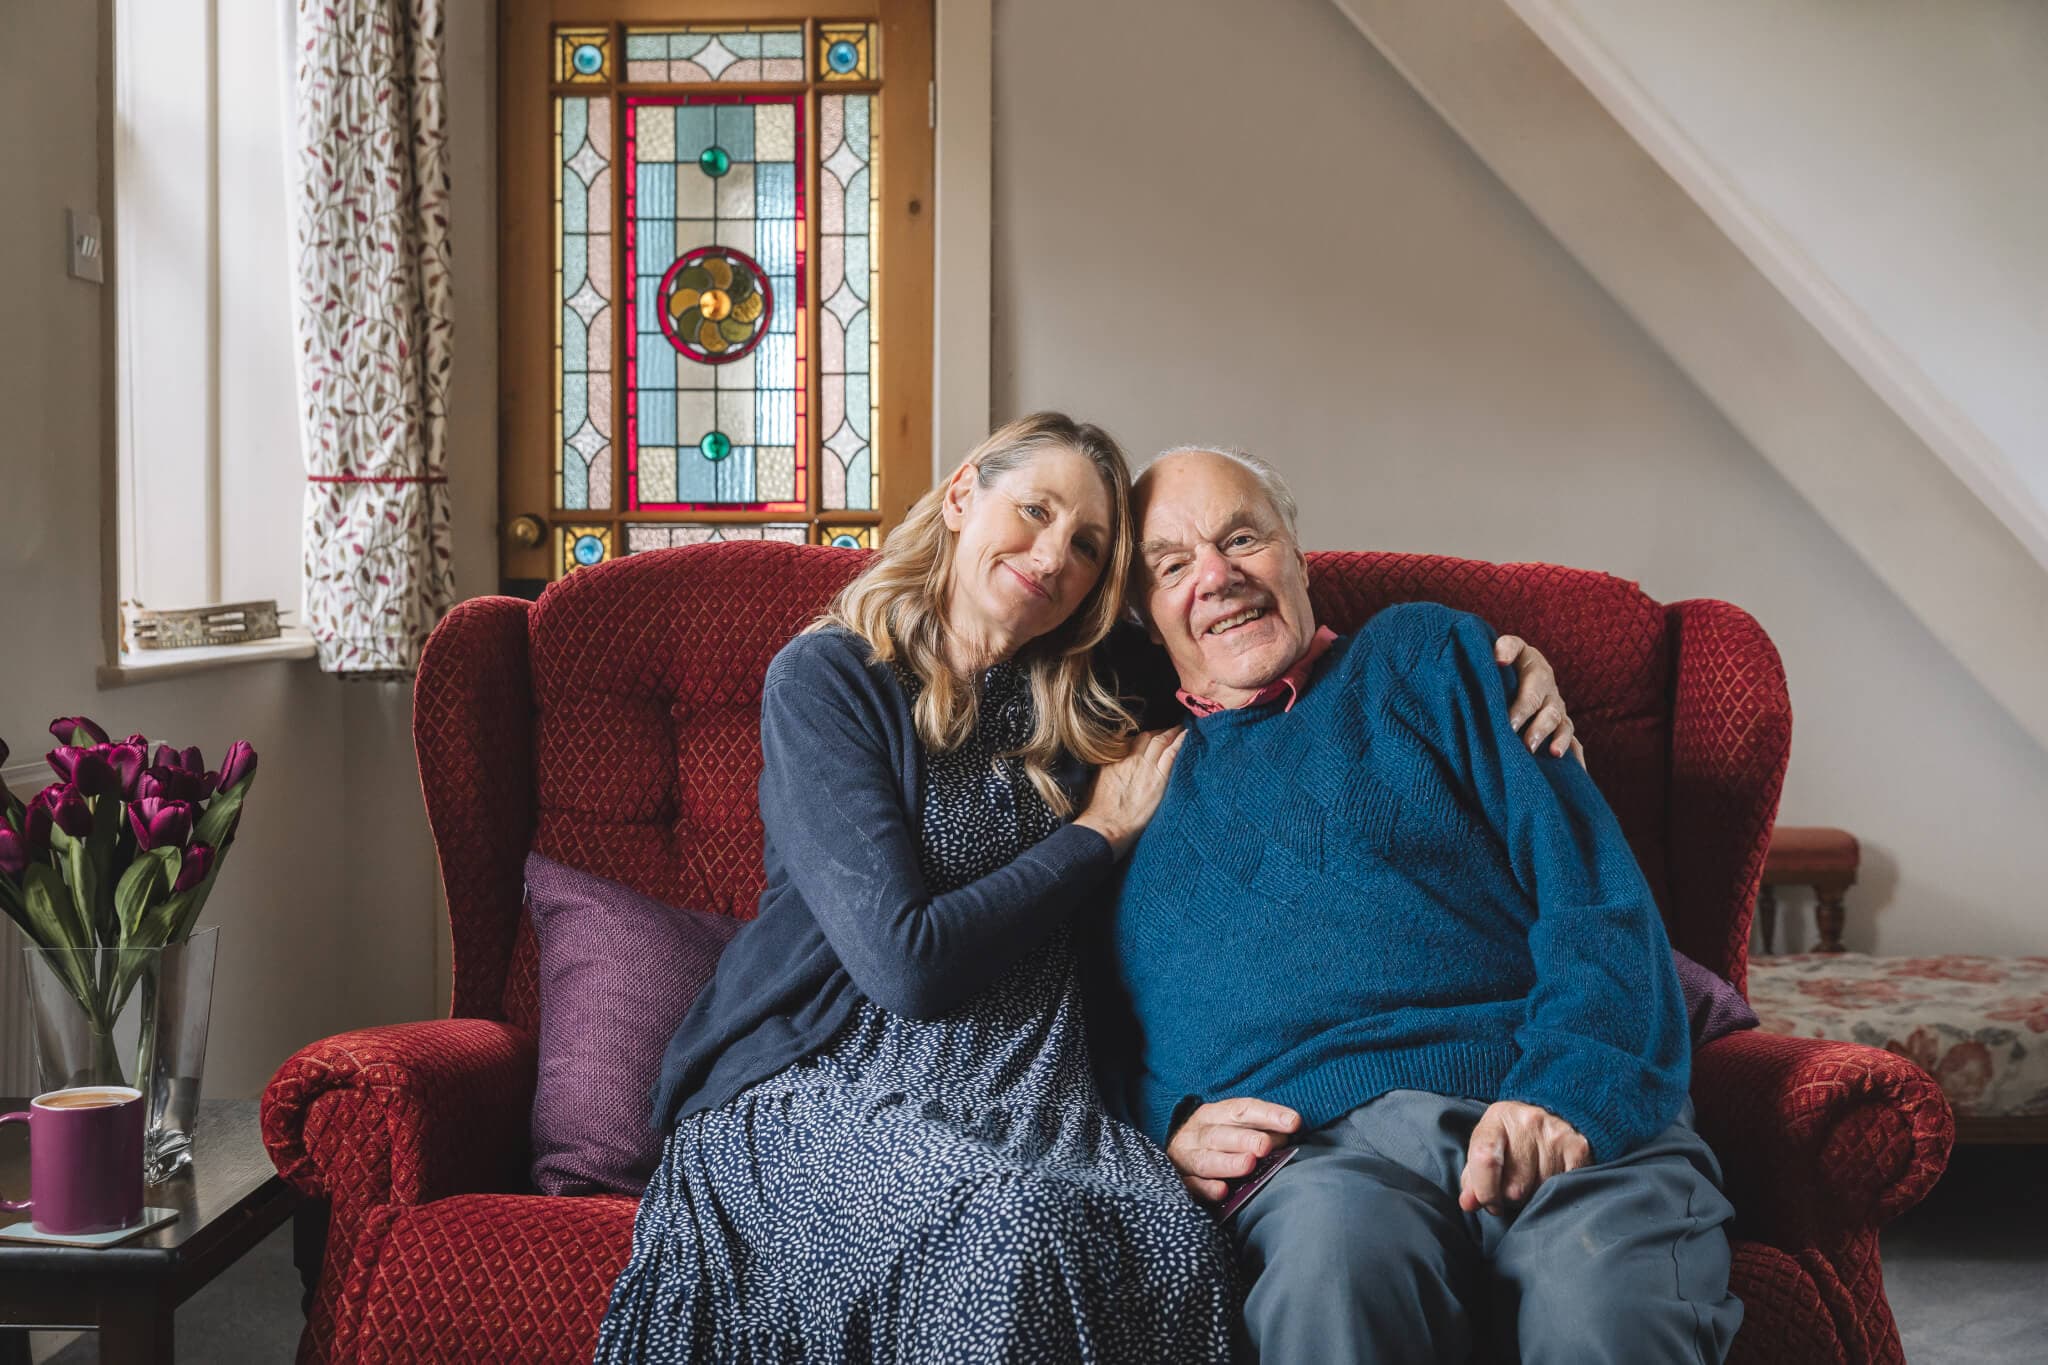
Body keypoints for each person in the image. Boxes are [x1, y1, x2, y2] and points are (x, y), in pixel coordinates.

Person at [597, 413, 1236, 1361]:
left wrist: (1484, 668)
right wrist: (1099, 832)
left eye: (1089, 545)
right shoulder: (829, 678)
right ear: (961, 495)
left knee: (1179, 1241)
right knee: (1008, 1230)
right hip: (825, 1080)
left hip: (1032, 1088)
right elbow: (907, 963)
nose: (1054, 552)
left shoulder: (1092, 686)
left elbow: (1242, 645)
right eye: (1034, 509)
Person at [1087, 446, 1743, 1364]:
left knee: (1598, 1309)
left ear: (1298, 554)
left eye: (1243, 536)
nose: (1218, 577)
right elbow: (1086, 1022)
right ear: (1145, 617)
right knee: (1334, 1274)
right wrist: (1169, 1121)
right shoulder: (1122, 789)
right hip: (1317, 1158)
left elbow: (1593, 890)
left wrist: (1565, 1090)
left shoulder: (1426, 658)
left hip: (1535, 1085)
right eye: (1172, 564)